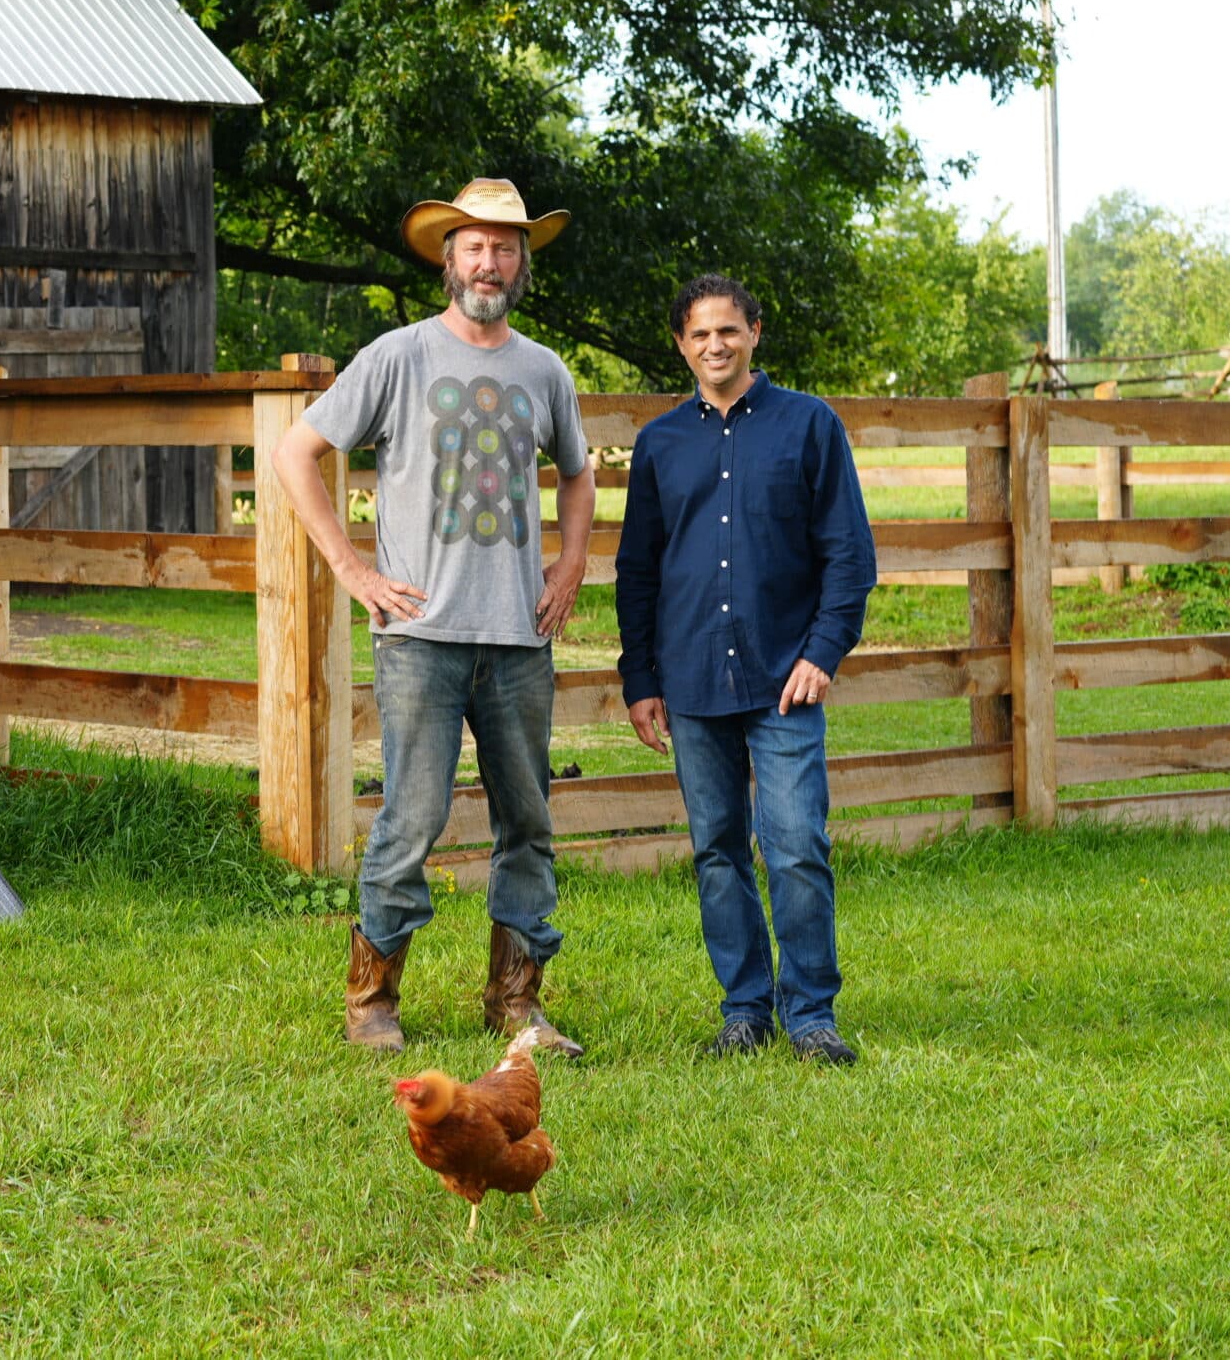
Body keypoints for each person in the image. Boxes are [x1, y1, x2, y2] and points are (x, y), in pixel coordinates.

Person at [271, 178, 595, 1057]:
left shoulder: (544, 370)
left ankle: (515, 1000)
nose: (489, 260)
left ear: (522, 262)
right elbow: (297, 451)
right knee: (409, 819)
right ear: (447, 258)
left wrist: (568, 563)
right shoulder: (397, 357)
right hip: (419, 637)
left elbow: (577, 473)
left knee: (526, 819)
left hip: (520, 638)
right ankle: (371, 1001)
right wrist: (350, 566)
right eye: (474, 244)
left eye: (506, 245)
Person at [614, 274, 877, 1065]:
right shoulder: (661, 443)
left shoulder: (809, 425)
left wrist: (823, 653)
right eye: (699, 335)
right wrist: (640, 679)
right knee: (718, 848)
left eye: (728, 330)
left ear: (756, 332)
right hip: (691, 680)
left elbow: (849, 555)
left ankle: (811, 1014)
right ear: (681, 345)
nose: (715, 346)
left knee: (795, 843)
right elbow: (638, 570)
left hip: (783, 678)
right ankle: (744, 1009)